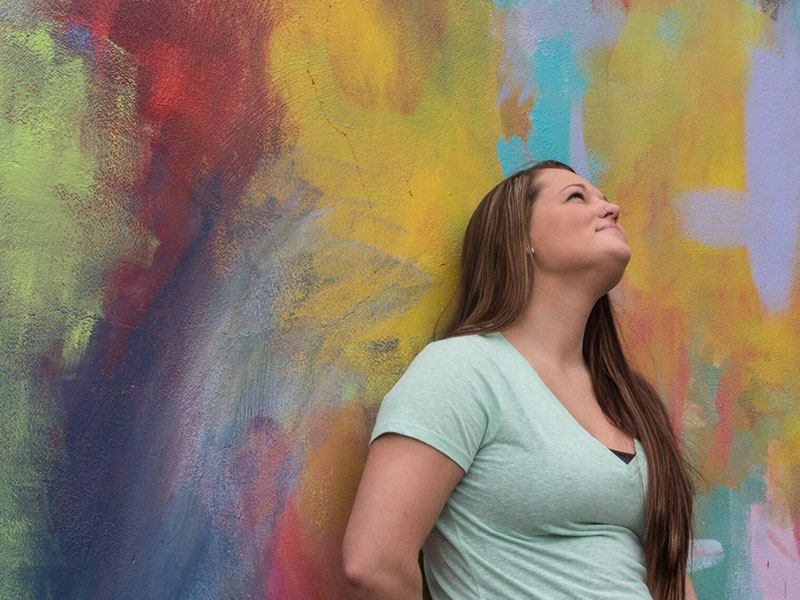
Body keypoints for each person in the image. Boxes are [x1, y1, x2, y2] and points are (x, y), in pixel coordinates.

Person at [341, 160, 699, 600]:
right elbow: (373, 564)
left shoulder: (629, 399)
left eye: (604, 198)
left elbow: (670, 579)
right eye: (577, 197)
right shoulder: (464, 369)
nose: (612, 208)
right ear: (520, 238)